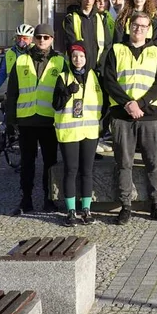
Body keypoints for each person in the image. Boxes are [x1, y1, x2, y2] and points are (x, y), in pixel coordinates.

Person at [101, 12, 157, 223]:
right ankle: (125, 206)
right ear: (129, 27)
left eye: (143, 26)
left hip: (149, 115)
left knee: (153, 162)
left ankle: (156, 204)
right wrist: (127, 104)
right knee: (123, 162)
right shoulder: (116, 50)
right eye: (135, 25)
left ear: (149, 29)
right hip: (122, 116)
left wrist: (139, 104)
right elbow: (109, 81)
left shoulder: (156, 53)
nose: (139, 29)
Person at [6, 23, 65, 215]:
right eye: (39, 37)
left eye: (45, 37)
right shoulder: (21, 60)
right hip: (27, 120)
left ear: (52, 40)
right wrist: (10, 121)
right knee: (27, 163)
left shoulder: (60, 62)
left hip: (49, 120)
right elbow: (12, 92)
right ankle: (26, 200)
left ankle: (49, 199)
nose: (41, 41)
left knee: (50, 163)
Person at [52, 44, 102, 227]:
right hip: (69, 131)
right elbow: (56, 104)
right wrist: (66, 92)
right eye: (74, 56)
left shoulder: (94, 77)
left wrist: (100, 125)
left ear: (86, 58)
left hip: (89, 131)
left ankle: (86, 210)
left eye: (81, 56)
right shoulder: (62, 77)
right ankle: (71, 211)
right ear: (70, 58)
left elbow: (100, 103)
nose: (78, 59)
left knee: (87, 171)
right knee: (71, 170)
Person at [63, 0, 111, 71]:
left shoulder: (101, 18)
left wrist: (101, 65)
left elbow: (107, 45)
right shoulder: (71, 18)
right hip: (78, 68)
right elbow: (71, 43)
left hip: (98, 68)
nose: (89, 0)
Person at [0, 23, 35, 95]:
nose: (21, 41)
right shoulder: (9, 53)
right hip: (13, 93)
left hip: (31, 94)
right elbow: (2, 74)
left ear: (31, 39)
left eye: (25, 38)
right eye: (19, 37)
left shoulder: (35, 52)